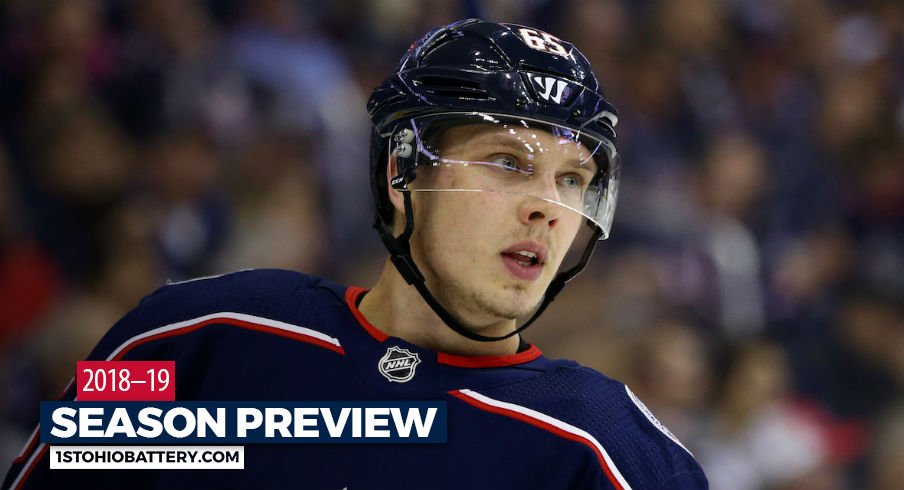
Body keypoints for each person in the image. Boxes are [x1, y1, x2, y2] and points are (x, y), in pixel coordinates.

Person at [4, 19, 708, 490]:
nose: (547, 208)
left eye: (574, 181)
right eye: (507, 163)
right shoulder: (187, 338)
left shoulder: (611, 454)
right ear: (402, 176)